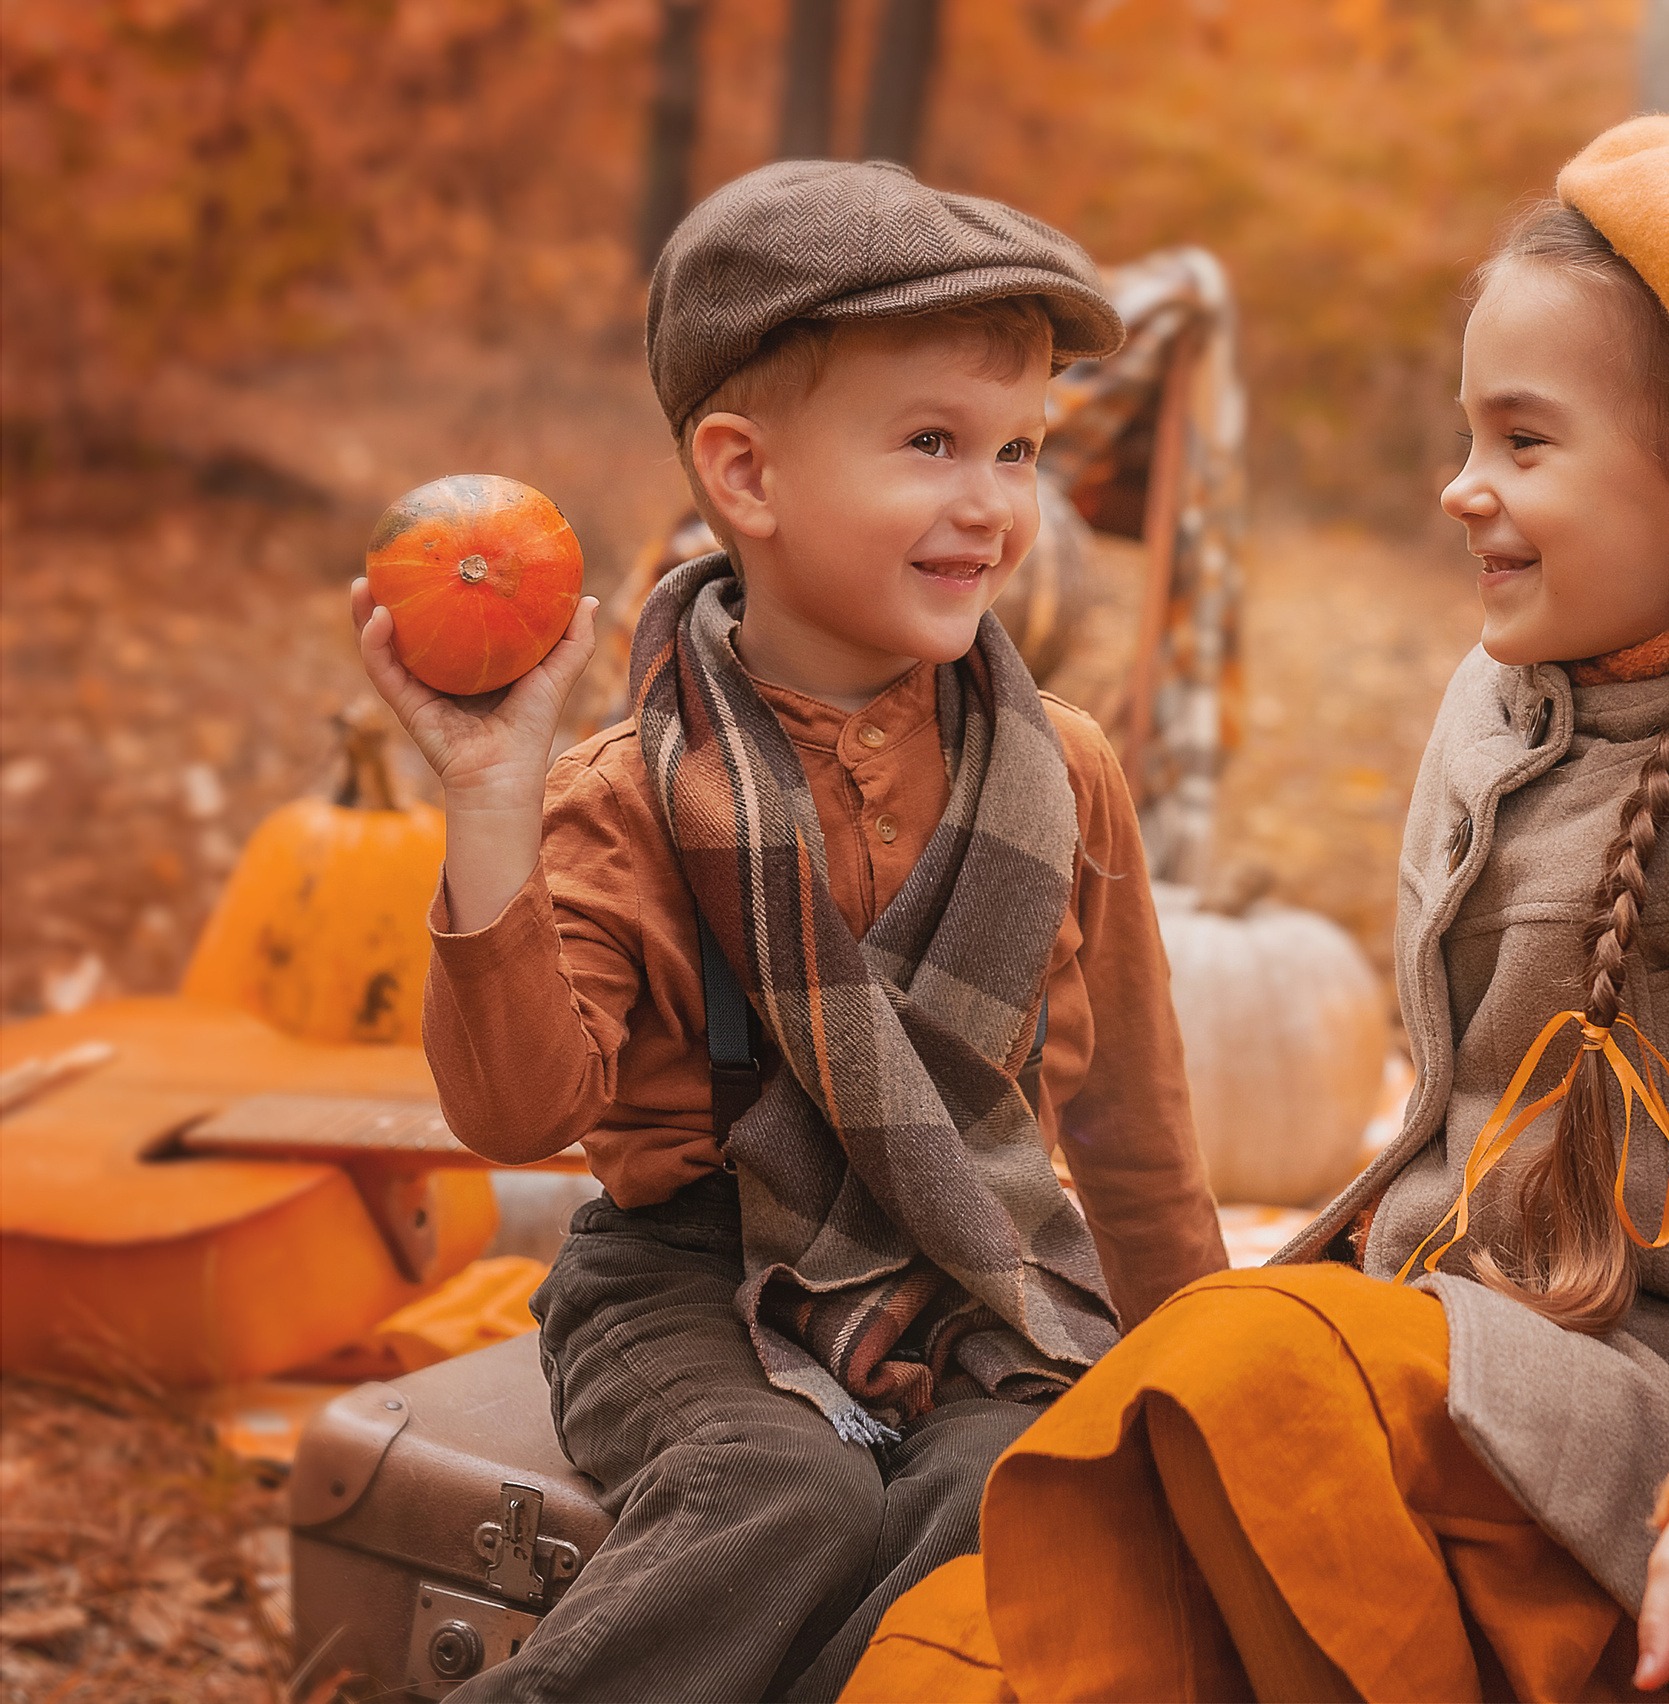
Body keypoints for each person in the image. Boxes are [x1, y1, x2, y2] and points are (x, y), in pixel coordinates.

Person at [847, 116, 1669, 1703]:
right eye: (1467, 432)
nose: (1460, 488)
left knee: (1239, 1366)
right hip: (1486, 1384)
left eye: (1526, 442)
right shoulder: (1503, 704)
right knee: (1009, 1594)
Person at [354, 160, 1227, 1702]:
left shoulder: (1059, 776)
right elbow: (514, 1112)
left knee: (1015, 1488)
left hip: (962, 1264)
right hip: (688, 1273)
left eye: (1019, 449)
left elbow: (1133, 1133)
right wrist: (490, 804)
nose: (992, 501)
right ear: (747, 477)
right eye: (933, 443)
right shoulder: (626, 796)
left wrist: (1199, 1370)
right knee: (787, 1497)